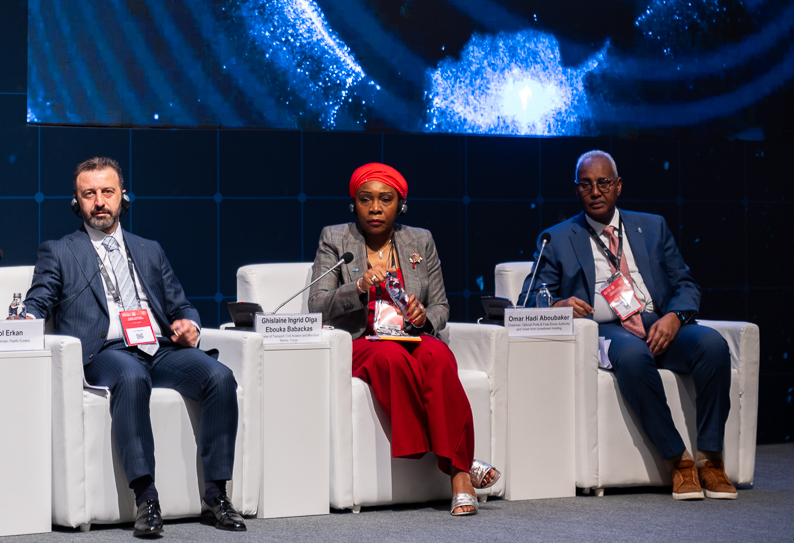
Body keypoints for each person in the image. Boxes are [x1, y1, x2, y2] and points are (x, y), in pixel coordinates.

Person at [21, 157, 243, 539]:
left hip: (158, 347)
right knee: (132, 375)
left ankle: (216, 494)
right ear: (76, 202)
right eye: (89, 194)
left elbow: (181, 305)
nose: (99, 202)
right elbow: (38, 301)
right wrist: (25, 319)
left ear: (123, 197)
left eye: (107, 192)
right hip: (106, 352)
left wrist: (188, 324)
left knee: (220, 377)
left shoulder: (148, 249)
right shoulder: (59, 251)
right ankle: (146, 498)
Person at [518, 150, 736, 499]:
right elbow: (529, 299)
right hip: (605, 327)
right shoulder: (557, 238)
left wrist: (675, 318)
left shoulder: (653, 227)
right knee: (634, 356)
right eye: (586, 184)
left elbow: (686, 284)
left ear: (618, 186)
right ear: (576, 189)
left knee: (713, 345)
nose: (595, 192)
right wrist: (559, 304)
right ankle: (678, 460)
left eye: (604, 183)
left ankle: (711, 459)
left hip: (659, 322)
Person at [308, 162, 499, 516]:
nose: (375, 208)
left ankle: (459, 469)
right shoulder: (335, 238)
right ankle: (460, 469)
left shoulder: (420, 240)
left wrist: (424, 316)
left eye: (386, 200)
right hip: (362, 341)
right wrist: (358, 286)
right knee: (390, 359)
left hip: (410, 335)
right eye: (365, 199)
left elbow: (441, 305)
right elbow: (317, 304)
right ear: (354, 203)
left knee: (439, 355)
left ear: (401, 205)